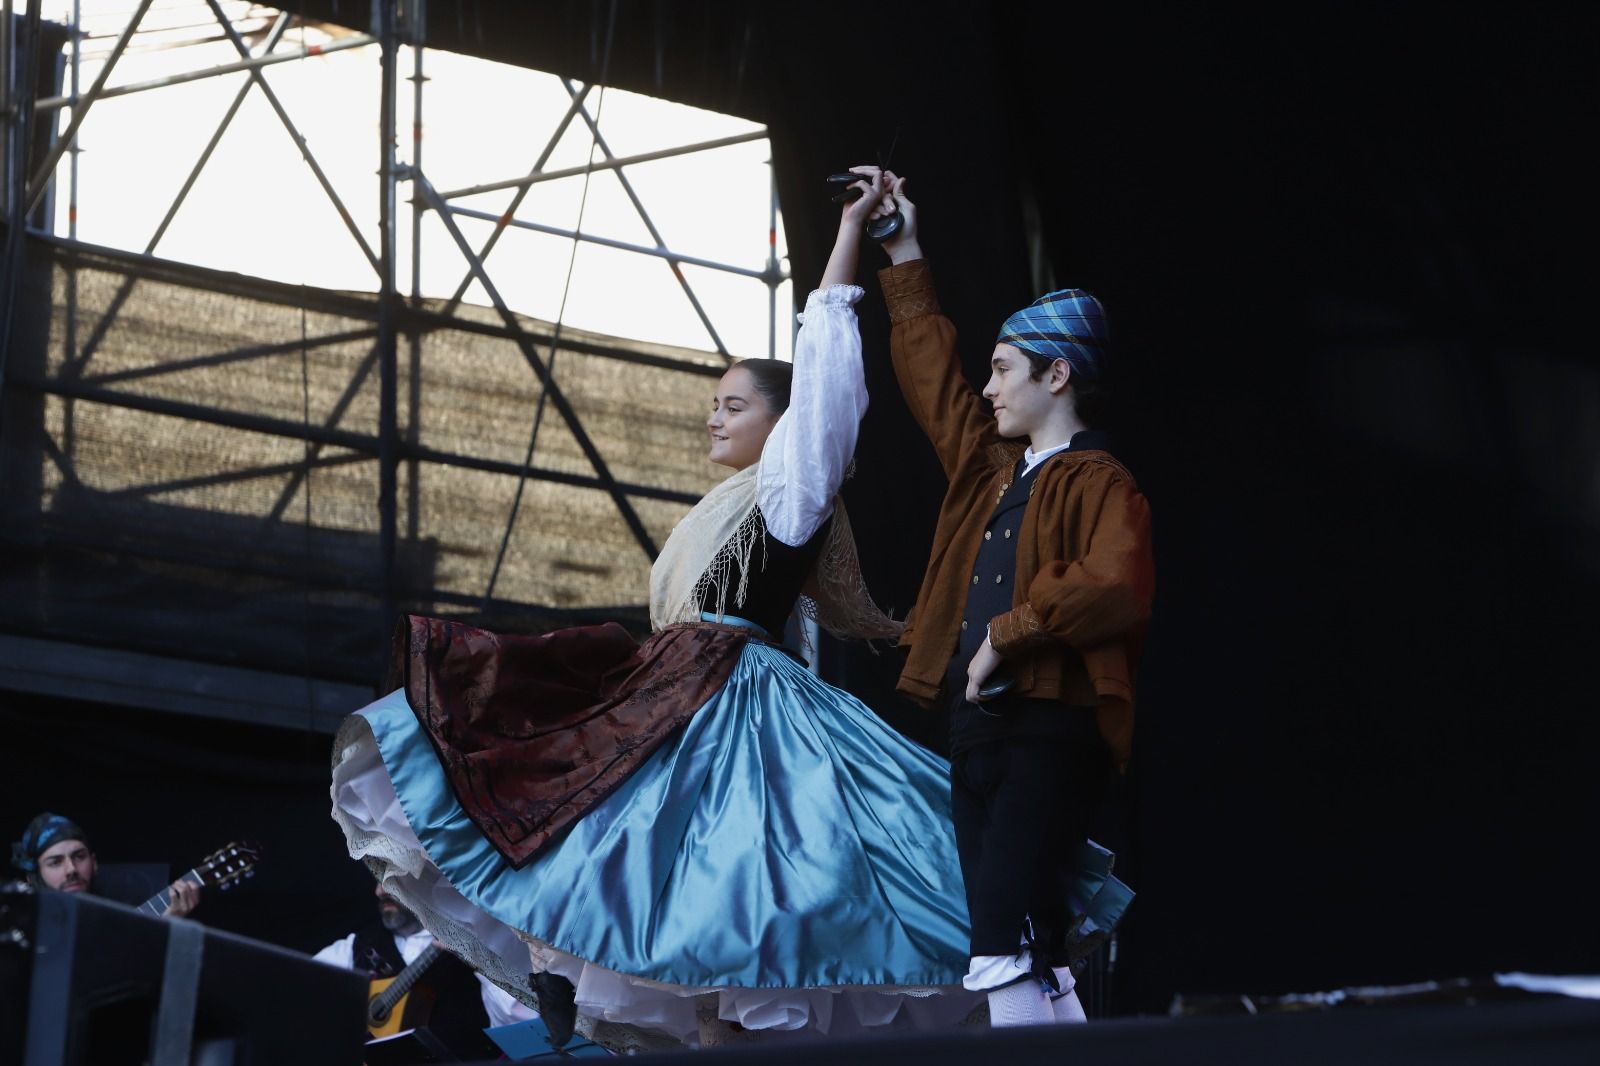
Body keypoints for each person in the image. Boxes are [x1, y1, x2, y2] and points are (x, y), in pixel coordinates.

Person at [328, 170, 981, 1051]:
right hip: (674, 698)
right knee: (612, 859)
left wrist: (851, 238)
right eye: (712, 403)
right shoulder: (730, 506)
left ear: (787, 423)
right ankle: (555, 969)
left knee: (723, 925)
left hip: (737, 711)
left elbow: (829, 370)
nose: (714, 419)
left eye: (735, 405)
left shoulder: (791, 491)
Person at [871, 172, 1155, 1027]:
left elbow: (1115, 587)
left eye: (1002, 371)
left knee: (1000, 931)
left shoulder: (1103, 482)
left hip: (1047, 726)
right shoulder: (990, 470)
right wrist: (901, 250)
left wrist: (1008, 632)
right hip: (978, 729)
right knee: (1019, 933)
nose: (988, 389)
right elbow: (930, 380)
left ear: (1057, 373)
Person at [312, 882, 534, 1043]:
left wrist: (480, 957)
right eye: (377, 879)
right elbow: (297, 997)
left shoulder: (473, 939)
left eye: (390, 878)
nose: (380, 891)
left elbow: (522, 1024)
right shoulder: (355, 947)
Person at [10, 811, 201, 918]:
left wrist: (168, 925)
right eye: (55, 862)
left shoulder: (112, 916)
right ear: (33, 877)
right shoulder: (20, 928)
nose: (71, 869)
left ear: (94, 863)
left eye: (79, 856)